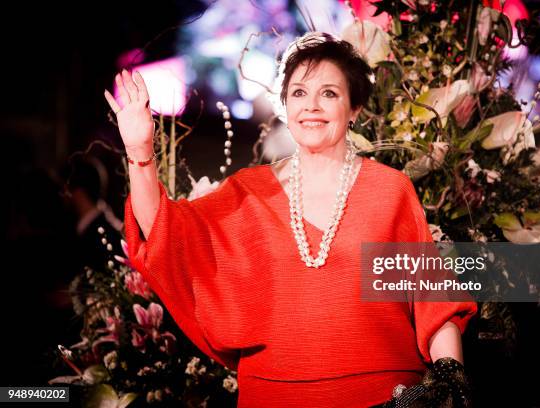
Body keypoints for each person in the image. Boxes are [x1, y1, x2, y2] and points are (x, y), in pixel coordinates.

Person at [104, 32, 478, 408]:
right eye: (299, 93)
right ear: (285, 105)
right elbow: (162, 230)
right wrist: (140, 150)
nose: (311, 106)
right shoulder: (247, 193)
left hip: (384, 399)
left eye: (329, 93)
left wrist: (451, 380)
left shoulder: (389, 191)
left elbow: (435, 301)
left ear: (355, 109)